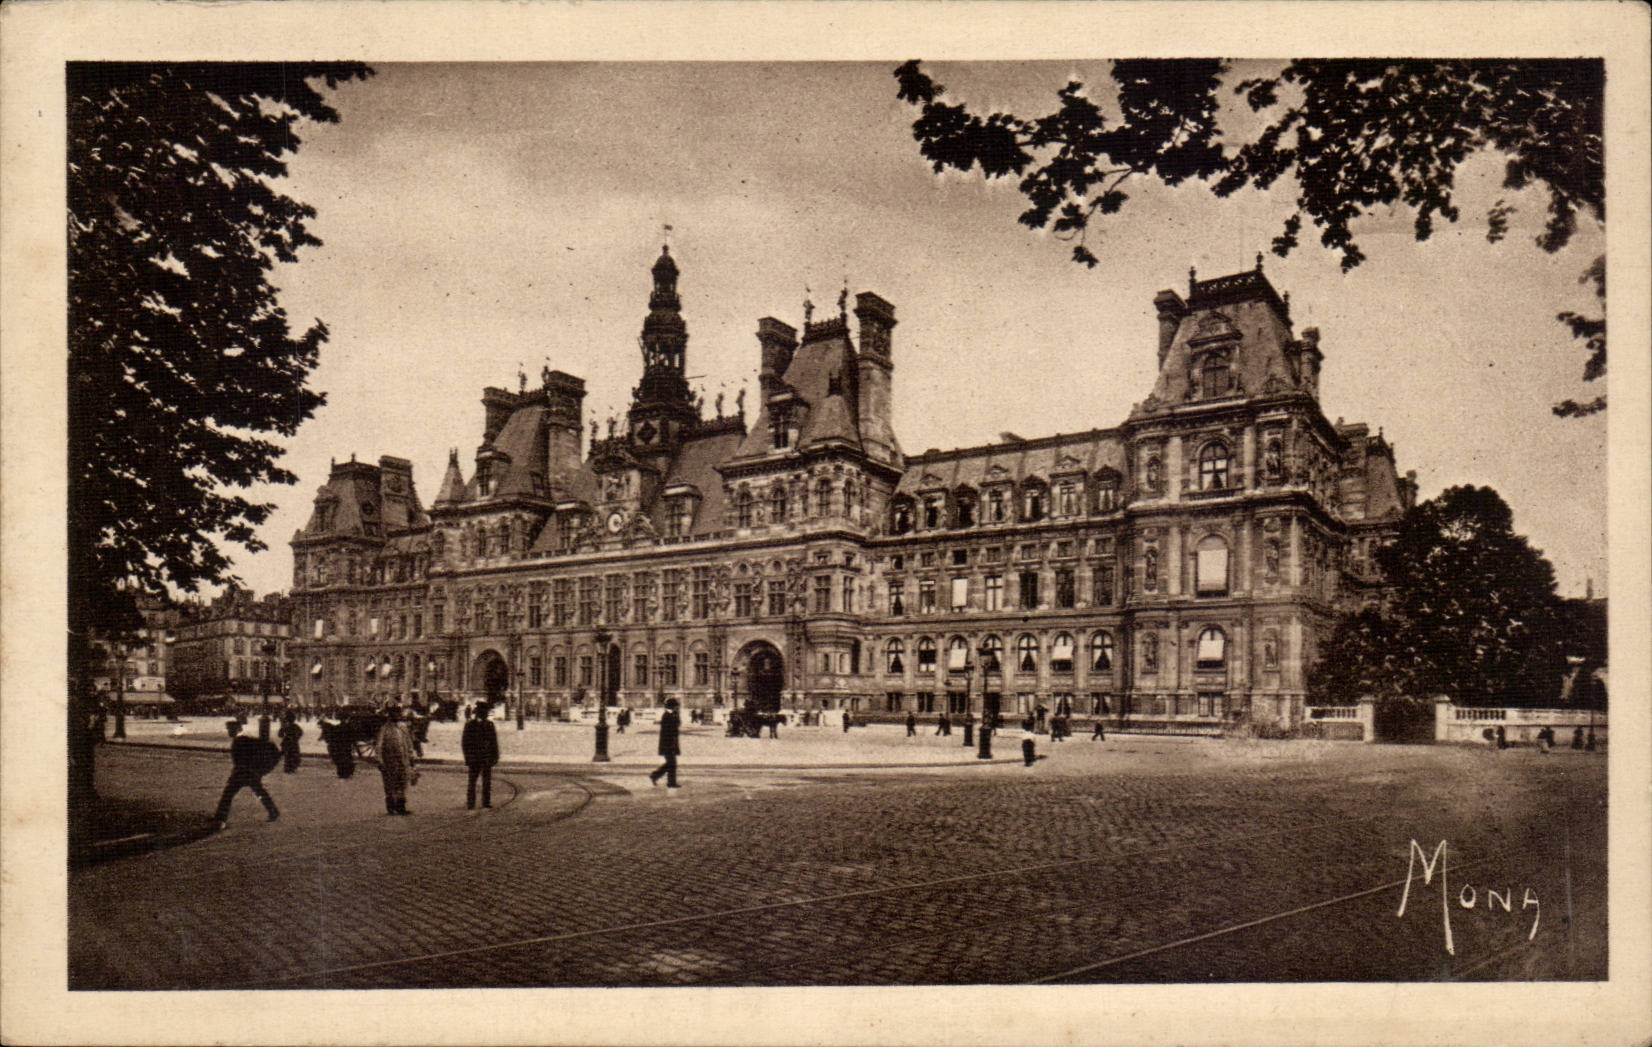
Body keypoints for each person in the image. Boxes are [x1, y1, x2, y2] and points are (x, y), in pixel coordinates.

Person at [213, 719, 281, 829]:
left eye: (231, 729)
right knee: (259, 791)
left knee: (228, 795)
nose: (229, 732)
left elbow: (240, 760)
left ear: (238, 729)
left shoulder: (241, 740)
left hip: (244, 773)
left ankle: (220, 818)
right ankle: (273, 811)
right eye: (229, 729)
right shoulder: (242, 739)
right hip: (249, 773)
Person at [374, 705, 419, 815]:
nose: (397, 716)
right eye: (394, 715)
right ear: (390, 716)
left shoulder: (403, 728)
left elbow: (408, 744)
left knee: (402, 784)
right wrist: (380, 760)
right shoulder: (384, 729)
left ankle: (401, 806)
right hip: (389, 761)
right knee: (390, 784)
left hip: (403, 760)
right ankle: (391, 806)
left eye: (398, 714)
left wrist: (411, 757)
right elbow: (379, 746)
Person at [462, 702, 501, 809]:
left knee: (487, 782)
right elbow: (465, 743)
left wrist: (495, 756)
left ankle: (486, 802)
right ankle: (471, 803)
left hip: (486, 757)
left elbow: (494, 742)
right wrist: (467, 757)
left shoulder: (489, 724)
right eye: (483, 713)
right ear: (478, 713)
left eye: (486, 713)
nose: (485, 715)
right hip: (474, 758)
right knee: (472, 781)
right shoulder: (470, 725)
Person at [650, 697, 681, 788]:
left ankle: (656, 776)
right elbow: (668, 732)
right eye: (676, 706)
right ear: (673, 706)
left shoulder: (671, 715)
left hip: (671, 743)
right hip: (668, 744)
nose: (678, 708)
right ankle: (669, 782)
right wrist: (670, 745)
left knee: (670, 764)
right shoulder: (666, 716)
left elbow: (678, 724)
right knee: (672, 763)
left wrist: (677, 715)